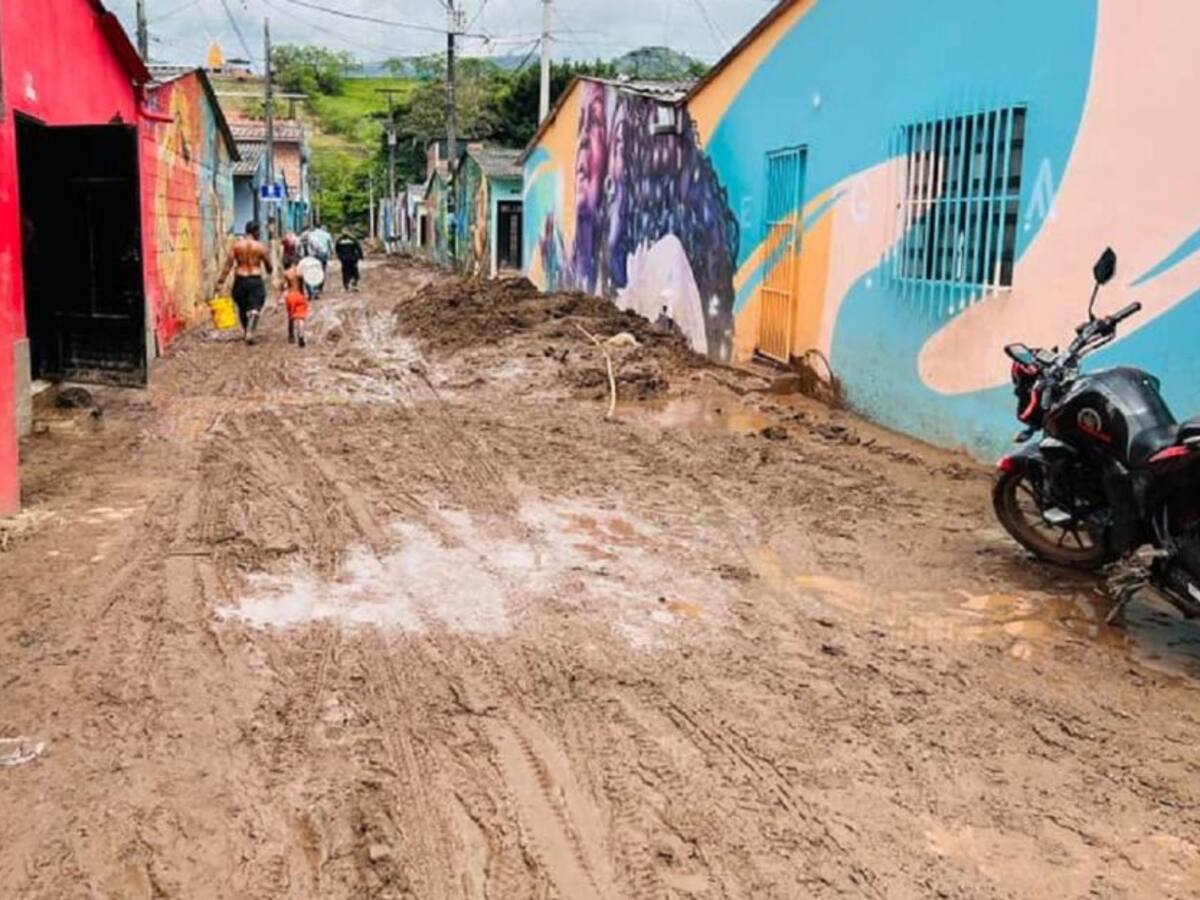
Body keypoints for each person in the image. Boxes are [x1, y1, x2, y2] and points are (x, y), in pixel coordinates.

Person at [218, 221, 273, 345]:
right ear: (256, 232)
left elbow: (228, 265)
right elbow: (269, 265)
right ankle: (251, 328)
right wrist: (269, 270)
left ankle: (245, 331)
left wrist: (220, 282)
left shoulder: (236, 246)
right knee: (256, 304)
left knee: (242, 307)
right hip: (255, 279)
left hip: (240, 280)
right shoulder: (260, 247)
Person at [282, 266, 310, 348]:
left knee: (291, 316)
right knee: (301, 317)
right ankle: (301, 335)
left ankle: (291, 336)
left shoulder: (286, 273)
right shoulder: (300, 272)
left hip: (290, 296)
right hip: (300, 295)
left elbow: (284, 287)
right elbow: (306, 284)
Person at [305, 223, 334, 296]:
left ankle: (314, 286)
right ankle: (320, 287)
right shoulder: (327, 234)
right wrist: (331, 253)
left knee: (315, 270)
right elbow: (331, 245)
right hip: (323, 255)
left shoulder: (311, 235)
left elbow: (309, 245)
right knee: (323, 270)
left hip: (314, 255)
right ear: (321, 227)